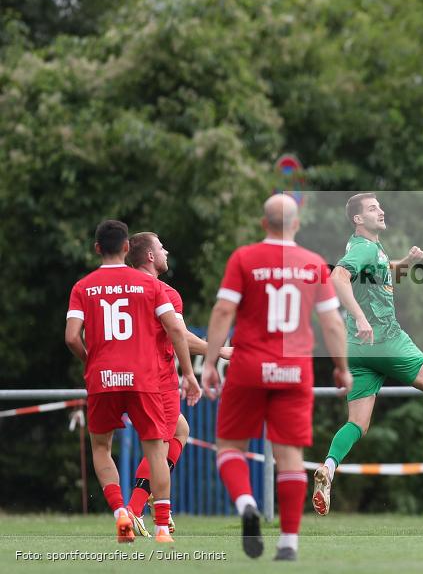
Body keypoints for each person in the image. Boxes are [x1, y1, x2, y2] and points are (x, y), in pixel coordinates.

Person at [313, 192, 423, 517]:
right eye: (372, 208)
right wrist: (362, 318)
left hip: (357, 349)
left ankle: (329, 467)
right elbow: (337, 277)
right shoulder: (364, 248)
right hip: (385, 339)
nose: (381, 210)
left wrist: (404, 264)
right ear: (358, 219)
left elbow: (380, 271)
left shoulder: (367, 248)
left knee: (357, 424)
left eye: (379, 206)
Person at [202, 194, 351, 561]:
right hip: (294, 371)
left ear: (263, 224)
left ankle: (246, 504)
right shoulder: (314, 264)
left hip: (248, 366)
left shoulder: (244, 258)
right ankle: (288, 543)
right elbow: (331, 322)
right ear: (296, 224)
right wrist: (342, 366)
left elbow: (223, 310)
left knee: (230, 448)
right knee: (290, 457)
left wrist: (208, 362)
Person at [64, 220, 200, 543]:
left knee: (100, 447)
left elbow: (71, 337)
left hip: (102, 378)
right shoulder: (151, 287)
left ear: (97, 248)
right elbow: (176, 330)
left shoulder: (83, 287)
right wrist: (190, 374)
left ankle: (122, 513)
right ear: (127, 248)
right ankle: (162, 528)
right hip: (143, 378)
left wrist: (91, 361)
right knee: (156, 448)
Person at [123, 232, 234, 536]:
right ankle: (135, 510)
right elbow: (180, 334)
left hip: (127, 377)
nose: (166, 251)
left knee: (179, 430)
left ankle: (142, 507)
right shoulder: (165, 292)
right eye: (161, 247)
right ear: (149, 257)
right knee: (159, 447)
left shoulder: (124, 290)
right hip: (158, 379)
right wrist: (218, 350)